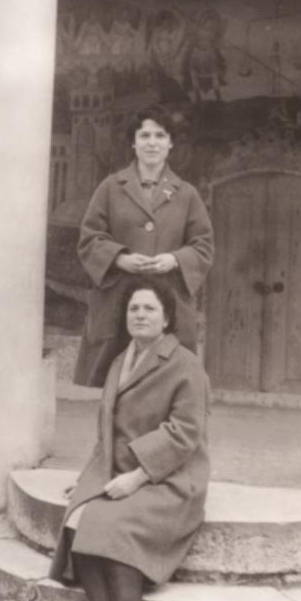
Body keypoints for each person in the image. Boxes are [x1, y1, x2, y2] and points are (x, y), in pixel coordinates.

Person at [50, 275, 210, 601]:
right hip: (119, 470)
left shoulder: (186, 365)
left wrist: (137, 478)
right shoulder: (120, 361)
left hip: (169, 479)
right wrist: (89, 476)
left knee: (115, 530)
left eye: (149, 308)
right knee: (77, 522)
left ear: (166, 318)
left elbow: (184, 433)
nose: (139, 315)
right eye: (133, 308)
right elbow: (107, 428)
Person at [74, 104, 214, 388]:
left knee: (167, 385)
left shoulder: (186, 194)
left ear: (170, 143)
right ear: (133, 143)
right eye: (145, 136)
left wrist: (174, 260)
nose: (152, 143)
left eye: (160, 136)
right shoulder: (111, 187)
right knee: (116, 385)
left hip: (169, 303)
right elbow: (89, 239)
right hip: (119, 302)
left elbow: (203, 246)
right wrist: (119, 259)